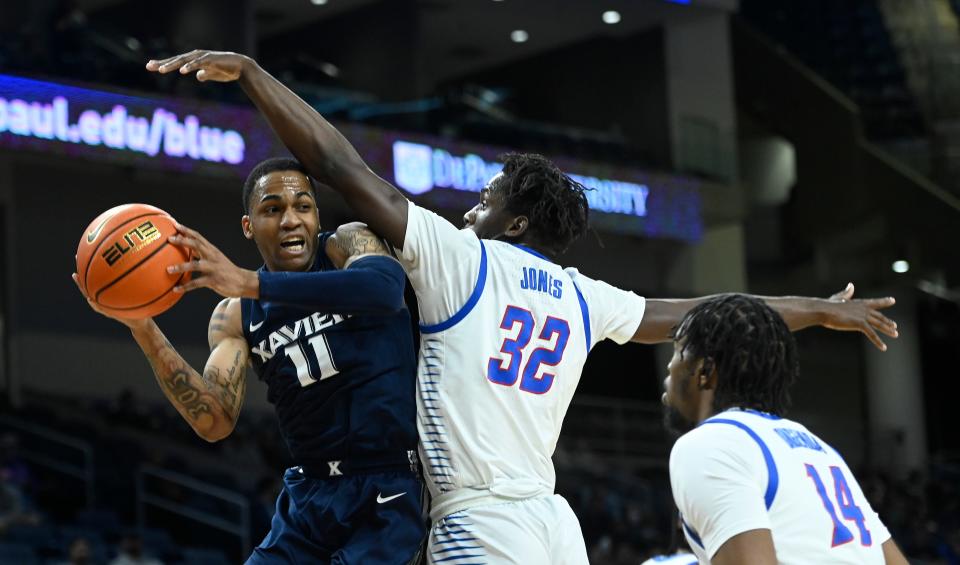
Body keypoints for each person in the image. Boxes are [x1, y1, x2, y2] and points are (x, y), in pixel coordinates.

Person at [146, 50, 900, 564]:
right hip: (551, 520)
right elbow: (705, 310)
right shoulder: (584, 295)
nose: (473, 203)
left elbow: (337, 162)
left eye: (488, 197)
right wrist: (812, 307)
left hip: (479, 518)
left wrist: (251, 74)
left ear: (512, 222)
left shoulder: (462, 259)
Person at [73, 157, 424, 564]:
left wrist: (249, 282)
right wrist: (143, 329)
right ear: (249, 225)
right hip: (310, 494)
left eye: (303, 206)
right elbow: (214, 421)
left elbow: (383, 289)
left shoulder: (346, 243)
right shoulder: (235, 315)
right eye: (273, 209)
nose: (291, 219)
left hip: (389, 483)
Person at [663, 294, 909, 564]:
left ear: (705, 371)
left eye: (677, 351)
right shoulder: (820, 449)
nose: (669, 366)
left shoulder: (708, 444)